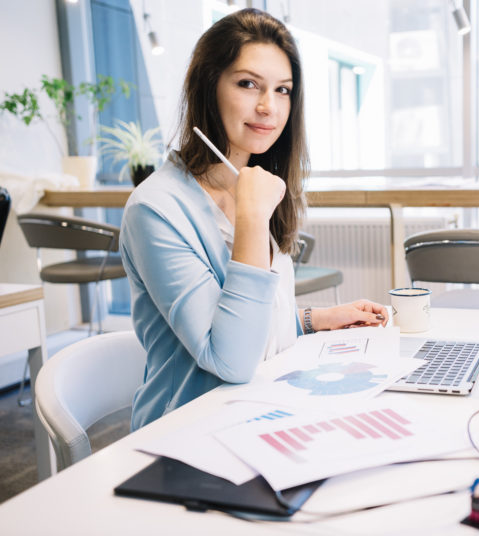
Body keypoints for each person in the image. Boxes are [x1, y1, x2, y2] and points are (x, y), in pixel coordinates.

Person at [120, 8, 388, 430]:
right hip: (186, 435)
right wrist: (251, 219)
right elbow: (232, 358)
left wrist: (312, 320)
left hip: (265, 410)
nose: (269, 107)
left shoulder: (256, 182)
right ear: (208, 87)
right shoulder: (156, 209)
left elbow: (249, 323)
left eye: (283, 90)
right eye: (248, 84)